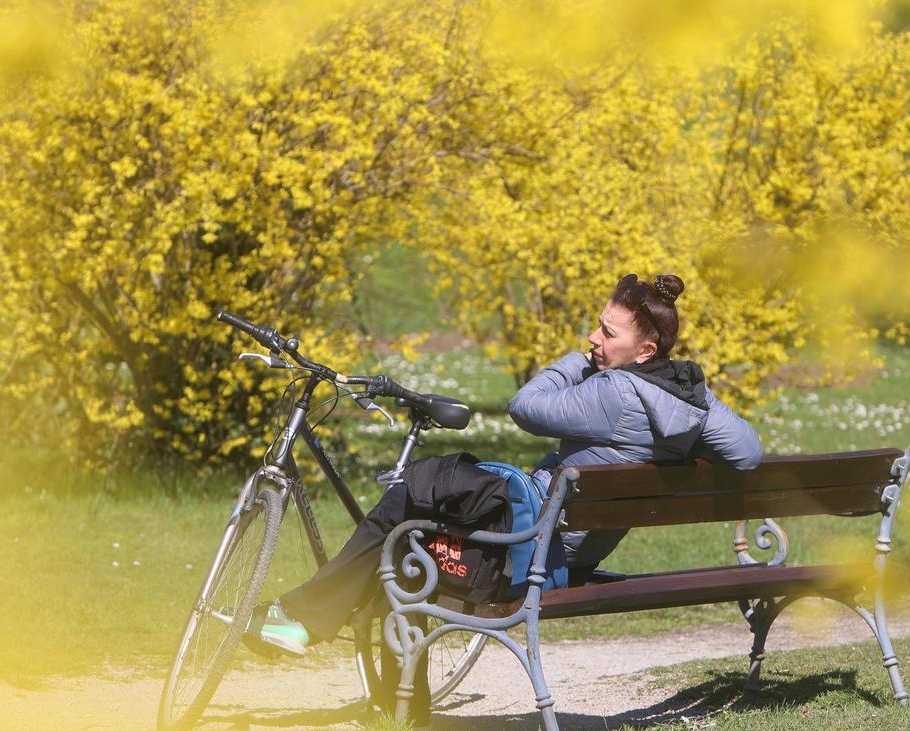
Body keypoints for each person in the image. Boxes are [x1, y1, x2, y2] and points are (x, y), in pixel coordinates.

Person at [251, 273, 762, 656]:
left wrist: (578, 362)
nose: (593, 338)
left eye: (607, 333)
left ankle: (302, 620)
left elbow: (525, 406)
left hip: (524, 551)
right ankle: (329, 627)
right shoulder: (686, 400)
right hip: (569, 553)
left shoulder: (613, 390)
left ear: (644, 350)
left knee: (408, 497)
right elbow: (747, 452)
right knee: (420, 498)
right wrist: (689, 407)